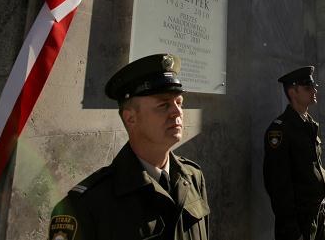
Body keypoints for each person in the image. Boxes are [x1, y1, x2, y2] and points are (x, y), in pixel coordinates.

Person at [47, 54, 209, 240]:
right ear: (130, 118)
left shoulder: (193, 177)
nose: (177, 111)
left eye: (179, 102)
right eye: (163, 105)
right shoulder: (86, 205)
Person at [263, 66, 325, 240]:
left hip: (316, 216)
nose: (314, 90)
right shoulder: (280, 130)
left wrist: (324, 205)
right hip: (297, 225)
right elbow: (277, 185)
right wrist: (292, 229)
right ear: (293, 92)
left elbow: (317, 165)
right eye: (308, 87)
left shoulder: (309, 123)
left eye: (314, 86)